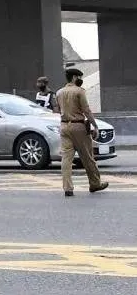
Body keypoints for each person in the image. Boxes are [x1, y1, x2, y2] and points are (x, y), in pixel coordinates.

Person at [55, 68, 107, 198]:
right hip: (78, 126)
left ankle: (68, 188)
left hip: (64, 126)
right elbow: (86, 111)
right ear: (74, 77)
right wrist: (95, 125)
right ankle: (95, 184)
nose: (80, 79)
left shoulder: (59, 92)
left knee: (66, 159)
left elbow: (58, 109)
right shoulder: (79, 91)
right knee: (88, 157)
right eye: (79, 77)